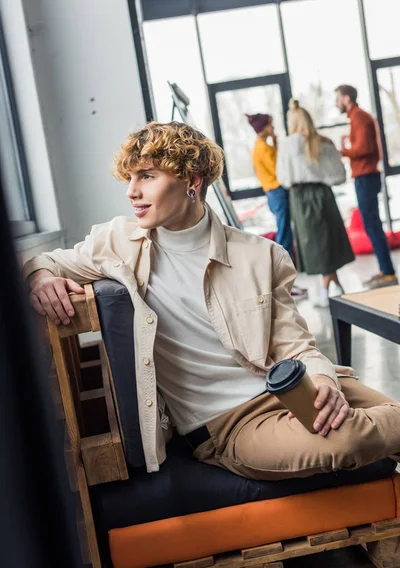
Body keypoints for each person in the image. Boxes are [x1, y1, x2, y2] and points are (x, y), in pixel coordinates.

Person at [24, 121, 400, 480]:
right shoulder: (119, 242)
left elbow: (294, 344)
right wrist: (39, 275)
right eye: (131, 177)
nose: (131, 191)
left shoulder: (260, 254)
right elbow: (45, 261)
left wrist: (322, 377)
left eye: (148, 176)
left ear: (191, 181)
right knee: (349, 438)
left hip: (294, 389)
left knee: (389, 417)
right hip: (231, 424)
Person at [277, 100, 355, 308]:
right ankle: (334, 284)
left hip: (300, 197)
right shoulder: (325, 142)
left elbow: (283, 178)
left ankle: (325, 287)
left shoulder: (287, 144)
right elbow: (339, 175)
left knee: (314, 243)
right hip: (324, 193)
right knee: (328, 239)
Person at [335, 84, 398, 289]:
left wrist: (343, 150)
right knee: (372, 226)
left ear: (346, 98)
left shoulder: (359, 117)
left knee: (372, 226)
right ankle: (385, 270)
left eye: (338, 98)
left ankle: (388, 273)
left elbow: (364, 148)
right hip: (365, 177)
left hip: (366, 177)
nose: (336, 103)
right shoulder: (357, 117)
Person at [247, 112, 307, 301]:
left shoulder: (263, 146)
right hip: (277, 193)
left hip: (275, 193)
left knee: (286, 234)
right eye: (271, 125)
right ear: (264, 127)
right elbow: (280, 170)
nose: (273, 128)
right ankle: (286, 282)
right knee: (285, 237)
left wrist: (276, 143)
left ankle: (288, 281)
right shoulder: (262, 148)